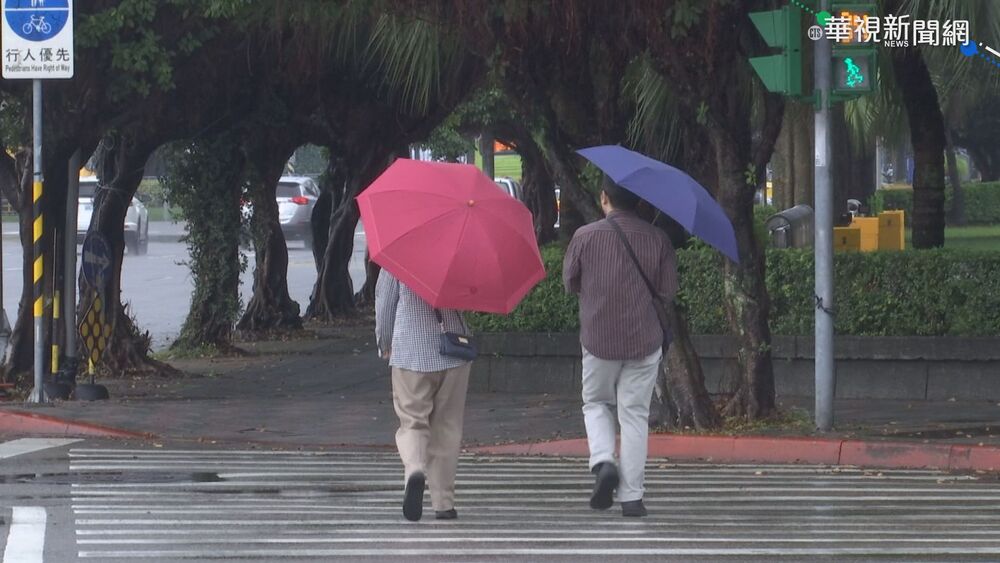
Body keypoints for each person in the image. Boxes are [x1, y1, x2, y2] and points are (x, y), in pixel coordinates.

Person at [563, 177, 678, 518]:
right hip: (644, 341)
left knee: (596, 403)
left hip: (598, 339)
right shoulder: (658, 239)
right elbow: (668, 291)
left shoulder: (584, 236)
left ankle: (602, 462)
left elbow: (570, 282)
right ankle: (632, 498)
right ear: (639, 202)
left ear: (604, 198)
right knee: (635, 415)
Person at [375, 268, 473, 522]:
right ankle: (444, 503)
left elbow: (385, 306)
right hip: (454, 350)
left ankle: (415, 469)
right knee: (448, 427)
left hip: (411, 352)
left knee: (413, 421)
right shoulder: (457, 254)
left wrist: (384, 343)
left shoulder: (396, 260)